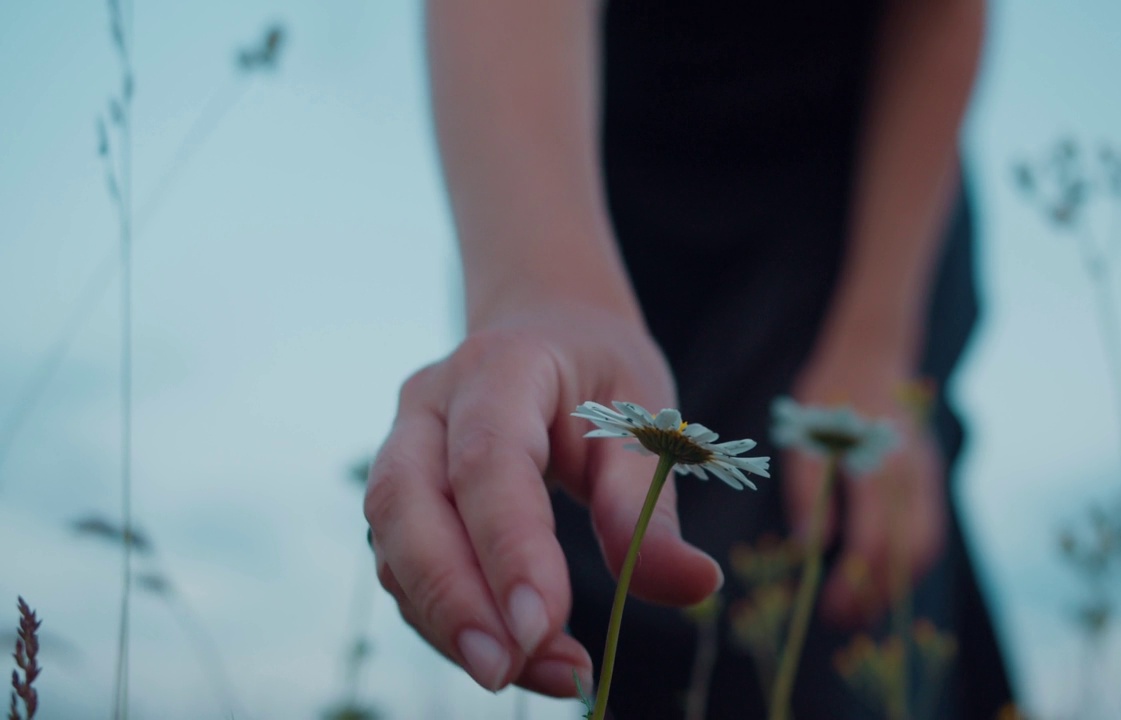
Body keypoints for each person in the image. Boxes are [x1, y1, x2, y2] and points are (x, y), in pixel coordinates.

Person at [365, 0, 1012, 716]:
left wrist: (876, 339)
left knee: (841, 581)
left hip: (849, 214)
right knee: (614, 584)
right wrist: (538, 289)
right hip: (599, 205)